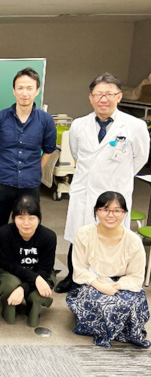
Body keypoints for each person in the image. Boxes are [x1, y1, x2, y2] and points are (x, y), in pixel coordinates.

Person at [56, 73, 150, 293]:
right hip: (84, 191)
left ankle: (110, 278)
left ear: (119, 96)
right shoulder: (79, 125)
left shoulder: (134, 126)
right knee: (79, 236)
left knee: (112, 237)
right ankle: (73, 276)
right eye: (98, 94)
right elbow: (77, 153)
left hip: (115, 190)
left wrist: (117, 176)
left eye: (109, 94)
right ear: (91, 98)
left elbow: (140, 158)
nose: (103, 99)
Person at [67, 191, 150, 348]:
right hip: (92, 280)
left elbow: (136, 276)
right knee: (102, 302)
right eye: (105, 209)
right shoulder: (84, 233)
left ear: (124, 213)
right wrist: (100, 285)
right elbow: (79, 269)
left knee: (131, 302)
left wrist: (115, 286)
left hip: (122, 282)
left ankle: (122, 331)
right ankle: (105, 330)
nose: (111, 215)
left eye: (117, 211)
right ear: (97, 211)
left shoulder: (133, 240)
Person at [0, 68, 56, 235]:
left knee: (27, 226)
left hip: (30, 183)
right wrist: (3, 164)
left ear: (37, 90)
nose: (24, 93)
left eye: (29, 88)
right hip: (3, 182)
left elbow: (49, 150)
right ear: (14, 91)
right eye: (20, 88)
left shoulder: (46, 120)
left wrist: (36, 168)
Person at [0, 195, 57, 327]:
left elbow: (45, 268)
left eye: (31, 218)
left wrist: (23, 288)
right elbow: (7, 263)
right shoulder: (4, 233)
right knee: (10, 294)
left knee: (34, 314)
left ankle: (32, 303)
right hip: (11, 272)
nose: (26, 223)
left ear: (39, 218)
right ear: (14, 218)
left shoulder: (49, 236)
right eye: (20, 217)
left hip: (39, 272)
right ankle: (8, 303)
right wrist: (35, 279)